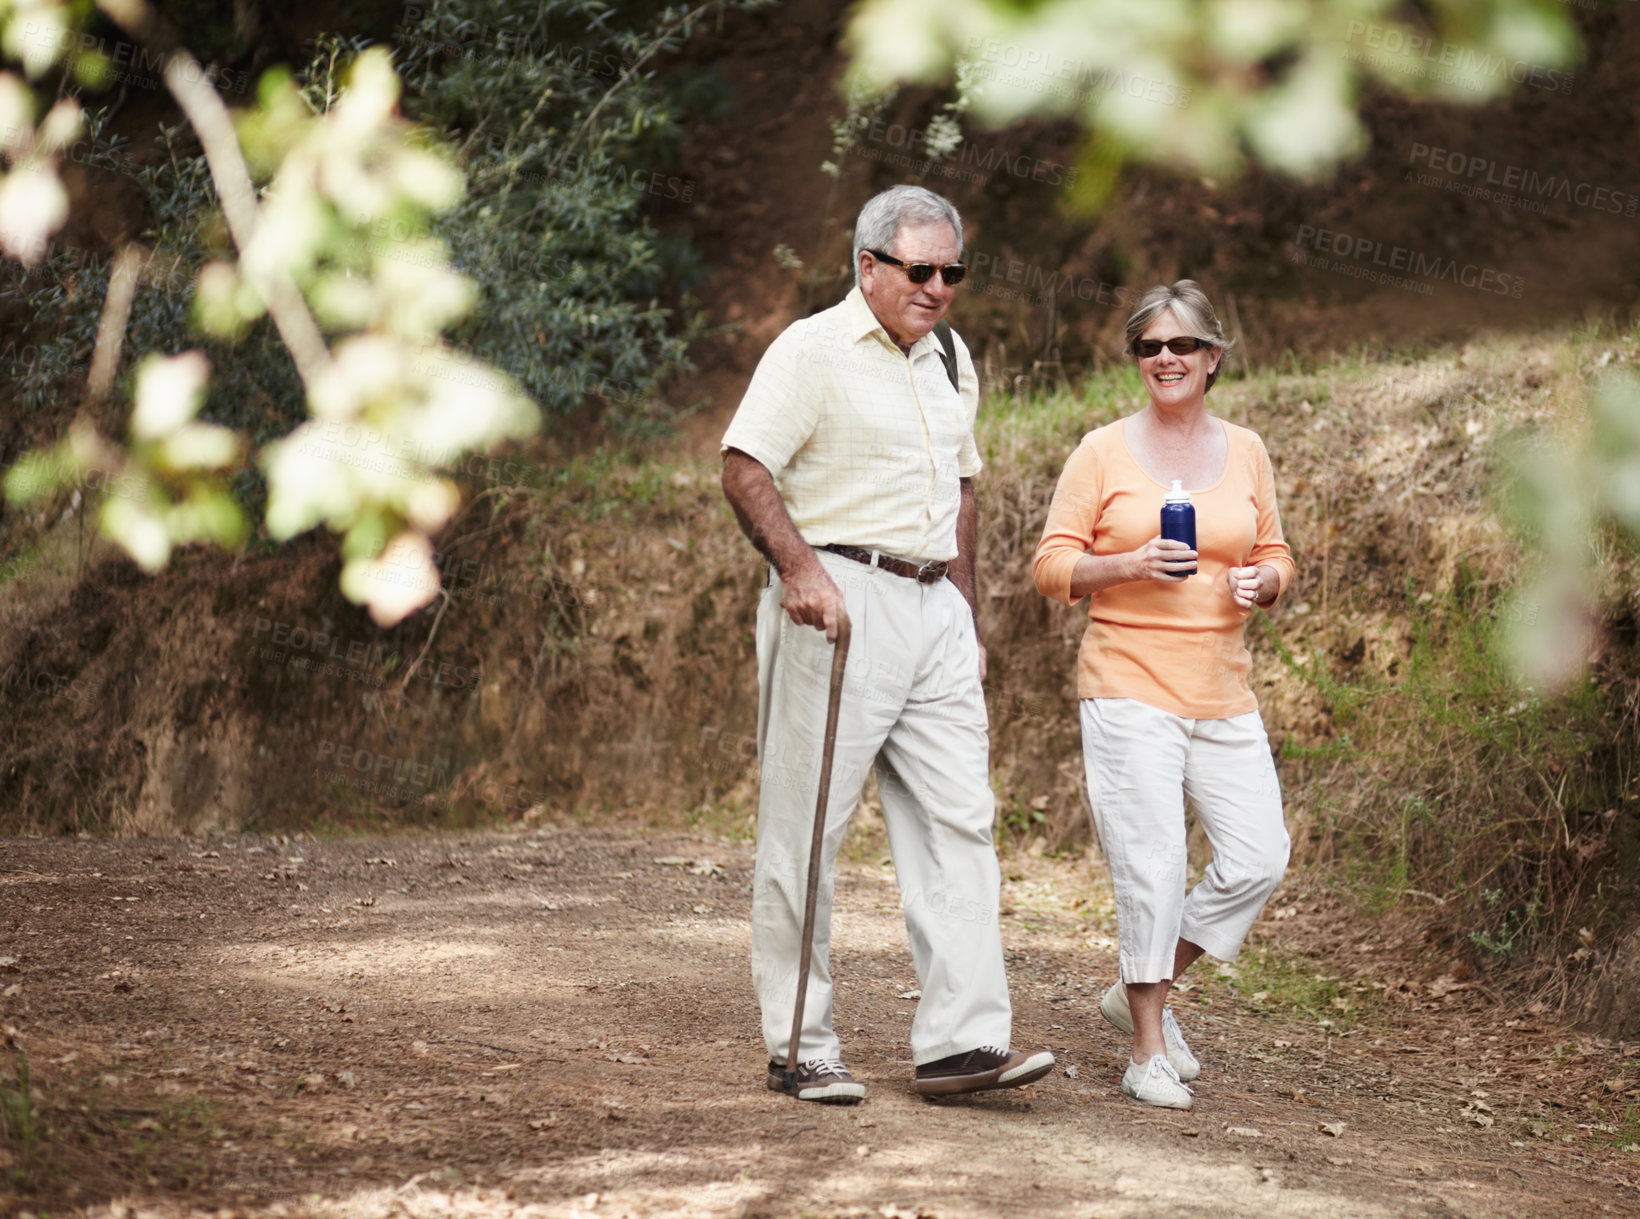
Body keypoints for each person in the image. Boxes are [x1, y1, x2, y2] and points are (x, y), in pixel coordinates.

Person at [720, 185, 1054, 1104]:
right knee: (808, 827)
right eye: (920, 269)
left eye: (953, 271)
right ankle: (800, 1043)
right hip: (840, 596)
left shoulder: (951, 355)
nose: (940, 286)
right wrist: (800, 570)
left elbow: (966, 486)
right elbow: (744, 464)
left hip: (934, 603)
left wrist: (966, 611)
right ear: (867, 265)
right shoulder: (812, 349)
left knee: (960, 822)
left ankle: (961, 1043)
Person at [1031, 281, 1294, 1110]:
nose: (1166, 359)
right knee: (1154, 862)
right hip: (1129, 680)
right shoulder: (1101, 452)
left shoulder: (1246, 448)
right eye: (1149, 347)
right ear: (1137, 361)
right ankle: (1147, 1048)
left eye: (1182, 346)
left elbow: (1279, 550)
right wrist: (1130, 564)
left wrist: (1267, 580)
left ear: (1213, 358)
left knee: (1258, 857)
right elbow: (1050, 567)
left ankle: (1141, 985)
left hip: (1223, 687)